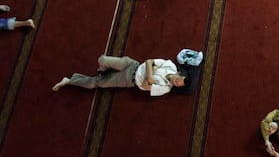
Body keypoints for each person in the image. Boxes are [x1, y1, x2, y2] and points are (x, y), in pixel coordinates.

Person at [52, 55, 188, 97]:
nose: (175, 82)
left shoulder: (165, 88)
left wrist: (150, 74)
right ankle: (104, 69)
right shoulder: (170, 66)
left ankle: (70, 81)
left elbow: (146, 86)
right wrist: (150, 75)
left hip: (129, 80)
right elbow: (148, 62)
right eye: (178, 79)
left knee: (96, 83)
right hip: (133, 65)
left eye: (177, 84)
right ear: (179, 73)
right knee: (102, 59)